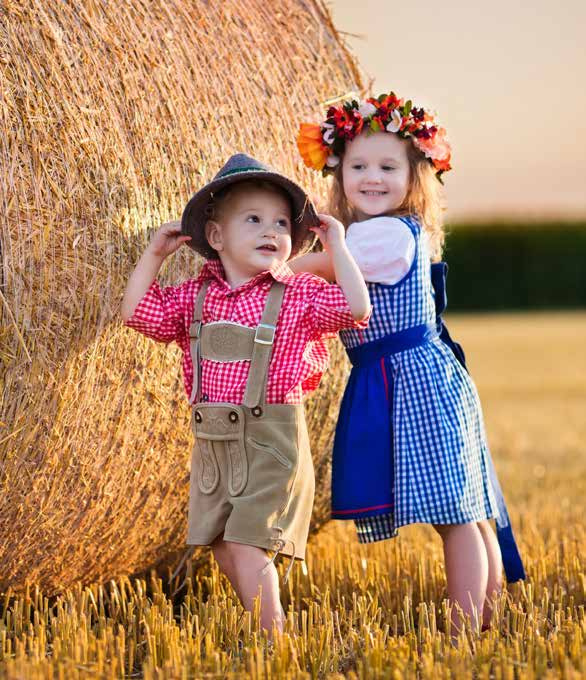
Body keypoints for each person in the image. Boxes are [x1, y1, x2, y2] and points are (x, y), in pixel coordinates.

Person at [293, 93, 525, 634]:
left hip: (414, 383)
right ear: (340, 171)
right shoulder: (382, 231)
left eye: (388, 167)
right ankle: (483, 621)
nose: (372, 178)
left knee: (457, 516)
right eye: (358, 166)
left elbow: (312, 269)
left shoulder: (385, 234)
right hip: (417, 377)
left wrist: (257, 259)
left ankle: (468, 627)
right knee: (465, 512)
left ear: (414, 176)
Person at [121, 153, 370, 634]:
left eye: (280, 222)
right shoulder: (195, 297)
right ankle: (265, 626)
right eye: (253, 219)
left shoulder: (297, 294)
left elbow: (357, 307)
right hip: (213, 443)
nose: (270, 231)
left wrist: (336, 244)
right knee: (220, 540)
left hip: (272, 442)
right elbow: (137, 313)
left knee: (246, 544)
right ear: (216, 237)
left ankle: (272, 637)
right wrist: (153, 255)